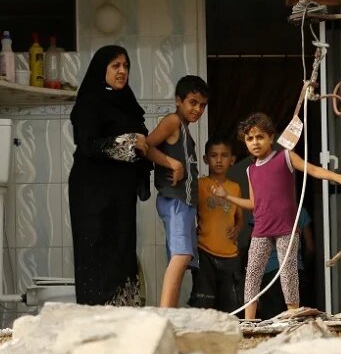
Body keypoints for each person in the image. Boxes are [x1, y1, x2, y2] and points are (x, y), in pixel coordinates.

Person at [212, 112, 341, 320]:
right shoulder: (251, 170)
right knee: (252, 275)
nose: (255, 142)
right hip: (261, 230)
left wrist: (338, 177)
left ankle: (292, 315)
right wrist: (227, 197)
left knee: (288, 273)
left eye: (260, 137)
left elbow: (313, 170)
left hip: (286, 228)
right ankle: (249, 321)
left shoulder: (285, 157)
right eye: (250, 138)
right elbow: (253, 204)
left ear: (271, 137)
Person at [68, 45, 174, 307]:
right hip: (93, 194)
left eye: (126, 66)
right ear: (101, 69)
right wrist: (129, 141)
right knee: (97, 252)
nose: (122, 71)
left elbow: (144, 144)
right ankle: (98, 316)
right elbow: (88, 144)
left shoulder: (126, 103)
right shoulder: (89, 102)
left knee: (122, 252)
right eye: (115, 65)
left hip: (120, 195)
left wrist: (167, 161)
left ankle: (123, 315)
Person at [147, 75, 209, 308]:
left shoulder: (184, 128)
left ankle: (170, 312)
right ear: (178, 101)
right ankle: (166, 314)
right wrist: (172, 163)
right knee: (181, 256)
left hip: (184, 203)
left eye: (202, 105)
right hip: (175, 201)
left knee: (183, 258)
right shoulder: (173, 121)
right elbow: (145, 145)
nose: (198, 109)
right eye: (192, 102)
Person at [190, 136, 243, 313]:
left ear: (232, 160)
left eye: (224, 155)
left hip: (230, 255)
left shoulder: (235, 188)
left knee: (230, 307)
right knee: (203, 304)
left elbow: (239, 218)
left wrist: (237, 229)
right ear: (206, 159)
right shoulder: (199, 185)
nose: (219, 160)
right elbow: (190, 214)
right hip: (204, 252)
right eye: (213, 155)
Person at [259, 205, 314, 318]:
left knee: (272, 320)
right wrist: (304, 268)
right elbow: (310, 247)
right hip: (295, 271)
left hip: (270, 274)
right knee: (297, 318)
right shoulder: (300, 211)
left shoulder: (264, 207)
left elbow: (256, 246)